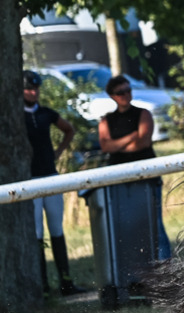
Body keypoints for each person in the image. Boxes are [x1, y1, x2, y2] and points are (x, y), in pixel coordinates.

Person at [23, 70, 87, 297]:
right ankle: (43, 284)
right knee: (37, 232)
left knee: (56, 228)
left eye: (35, 89)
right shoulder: (17, 116)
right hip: (29, 179)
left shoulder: (46, 114)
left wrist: (58, 151)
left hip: (49, 175)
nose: (33, 93)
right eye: (29, 89)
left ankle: (65, 280)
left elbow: (68, 129)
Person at [98, 75, 172, 258]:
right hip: (118, 177)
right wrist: (131, 136)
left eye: (128, 90)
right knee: (126, 226)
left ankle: (165, 268)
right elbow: (106, 146)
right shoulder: (106, 120)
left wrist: (118, 144)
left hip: (147, 176)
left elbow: (143, 143)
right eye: (120, 92)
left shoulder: (143, 113)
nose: (126, 95)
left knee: (155, 225)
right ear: (112, 96)